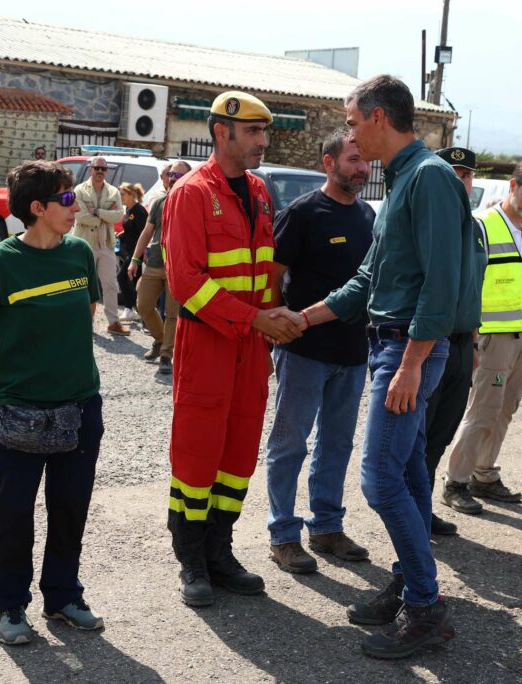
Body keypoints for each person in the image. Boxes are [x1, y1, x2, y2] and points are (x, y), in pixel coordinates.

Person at [295, 75, 469, 658]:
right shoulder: (399, 181)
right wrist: (302, 317)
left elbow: (442, 285)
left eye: (350, 121)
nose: (349, 133)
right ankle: (409, 580)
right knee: (411, 475)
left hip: (409, 350)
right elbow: (369, 279)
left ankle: (425, 608)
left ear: (375, 117)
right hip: (390, 345)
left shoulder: (430, 178)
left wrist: (412, 364)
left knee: (379, 480)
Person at [162, 91, 302, 608]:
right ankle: (192, 560)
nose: (263, 141)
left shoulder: (261, 192)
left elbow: (264, 270)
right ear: (223, 133)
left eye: (265, 132)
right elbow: (185, 283)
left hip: (251, 347)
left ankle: (220, 552)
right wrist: (253, 319)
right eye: (254, 133)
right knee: (198, 453)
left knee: (239, 452)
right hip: (208, 343)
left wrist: (274, 319)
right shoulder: (191, 193)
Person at [0, 160, 106, 645]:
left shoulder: (80, 254)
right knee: (14, 513)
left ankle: (63, 596)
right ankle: (10, 607)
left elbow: (85, 315)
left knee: (70, 507)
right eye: (65, 199)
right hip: (18, 410)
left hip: (80, 407)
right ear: (37, 208)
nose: (75, 205)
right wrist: (13, 364)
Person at [264, 128, 375, 574]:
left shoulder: (368, 215)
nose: (362, 168)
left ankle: (326, 527)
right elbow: (271, 273)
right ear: (328, 162)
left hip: (353, 352)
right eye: (353, 159)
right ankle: (284, 534)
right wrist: (275, 323)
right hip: (304, 349)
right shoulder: (302, 212)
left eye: (365, 160)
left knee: (337, 444)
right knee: (290, 444)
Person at [442, 158, 522, 515]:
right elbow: (469, 284)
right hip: (492, 337)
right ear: (512, 185)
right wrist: (474, 338)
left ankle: (485, 475)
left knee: (505, 410)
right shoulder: (483, 225)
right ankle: (455, 482)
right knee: (482, 411)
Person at [420, 146, 486, 537]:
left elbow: (473, 289)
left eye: (466, 175)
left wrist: (475, 343)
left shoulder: (475, 227)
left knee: (441, 433)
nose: (460, 181)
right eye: (453, 173)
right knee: (418, 435)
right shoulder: (427, 222)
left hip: (462, 343)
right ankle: (409, 515)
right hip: (430, 343)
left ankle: (422, 510)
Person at [127, 160, 191, 375]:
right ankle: (160, 338)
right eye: (171, 175)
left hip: (179, 268)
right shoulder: (160, 201)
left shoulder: (194, 202)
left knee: (172, 313)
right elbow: (146, 232)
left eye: (178, 176)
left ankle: (166, 354)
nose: (172, 179)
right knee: (143, 305)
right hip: (154, 262)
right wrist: (135, 259)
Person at [74, 157, 129, 335]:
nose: (100, 171)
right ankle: (84, 321)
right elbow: (81, 216)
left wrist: (97, 211)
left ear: (106, 172)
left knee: (111, 284)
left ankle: (113, 322)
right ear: (90, 169)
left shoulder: (113, 191)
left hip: (105, 243)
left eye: (103, 169)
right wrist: (107, 215)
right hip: (85, 243)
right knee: (83, 284)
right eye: (96, 168)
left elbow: (119, 216)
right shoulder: (80, 190)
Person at [117, 182, 147, 321]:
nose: (120, 196)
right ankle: (134, 310)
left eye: (123, 194)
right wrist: (123, 233)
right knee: (132, 280)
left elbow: (144, 233)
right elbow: (131, 227)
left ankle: (131, 309)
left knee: (123, 277)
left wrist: (142, 254)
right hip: (128, 250)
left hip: (136, 252)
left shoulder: (139, 211)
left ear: (131, 194)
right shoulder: (128, 209)